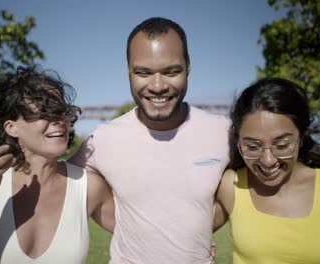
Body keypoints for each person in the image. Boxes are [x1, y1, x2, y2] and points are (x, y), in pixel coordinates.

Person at [69, 17, 230, 263]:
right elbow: (52, 180)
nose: (157, 86)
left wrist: (197, 234)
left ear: (188, 67)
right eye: (143, 72)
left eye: (171, 71)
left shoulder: (225, 133)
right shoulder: (101, 139)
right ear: (129, 71)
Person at [0, 66, 115, 264]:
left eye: (60, 110)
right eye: (44, 112)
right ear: (12, 127)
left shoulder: (88, 186)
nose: (58, 120)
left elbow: (143, 235)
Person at [214, 78, 320, 263]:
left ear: (302, 137)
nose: (268, 161)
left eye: (282, 144)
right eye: (253, 146)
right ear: (238, 142)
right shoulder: (232, 186)